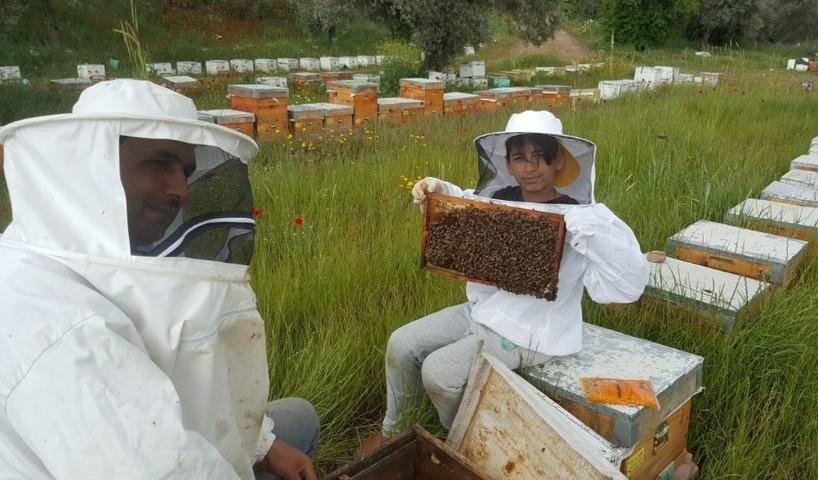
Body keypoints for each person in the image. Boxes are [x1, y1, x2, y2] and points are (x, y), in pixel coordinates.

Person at [0, 79, 318, 480]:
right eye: (157, 163)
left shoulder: (56, 253)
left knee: (300, 419)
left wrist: (264, 447)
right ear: (88, 165)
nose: (182, 190)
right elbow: (167, 469)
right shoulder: (62, 331)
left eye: (185, 170)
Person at [357, 110, 651, 455]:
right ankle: (395, 435)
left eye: (541, 157)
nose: (531, 167)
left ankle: (468, 448)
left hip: (533, 331)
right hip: (483, 310)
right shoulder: (501, 198)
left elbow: (628, 282)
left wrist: (587, 224)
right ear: (508, 164)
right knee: (401, 344)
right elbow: (467, 203)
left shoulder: (580, 215)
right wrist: (439, 191)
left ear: (559, 160)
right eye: (520, 158)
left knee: (439, 375)